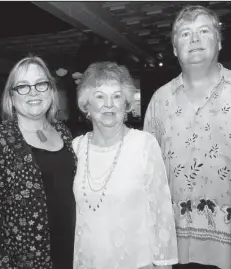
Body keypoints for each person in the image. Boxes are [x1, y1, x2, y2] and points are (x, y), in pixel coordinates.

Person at [144, 5, 231, 269]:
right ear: (174, 49)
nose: (194, 39)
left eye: (204, 31)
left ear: (219, 41)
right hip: (176, 250)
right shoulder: (159, 101)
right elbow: (147, 177)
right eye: (185, 34)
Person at [0, 55, 77, 269]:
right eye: (23, 86)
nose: (33, 92)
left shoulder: (63, 132)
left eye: (41, 84)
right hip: (26, 262)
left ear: (51, 90)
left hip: (73, 253)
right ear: (11, 96)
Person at [72, 61, 178, 269]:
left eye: (117, 96)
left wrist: (163, 264)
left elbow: (161, 213)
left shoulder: (144, 144)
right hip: (91, 262)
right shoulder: (77, 148)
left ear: (126, 104)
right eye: (100, 96)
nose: (109, 104)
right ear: (86, 105)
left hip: (137, 262)